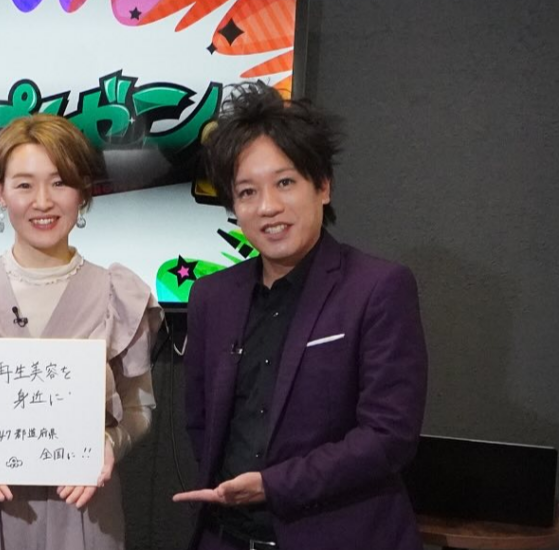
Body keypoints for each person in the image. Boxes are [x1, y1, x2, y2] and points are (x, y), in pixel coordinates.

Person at [174, 83, 428, 550]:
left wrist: (272, 485)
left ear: (323, 186)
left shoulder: (377, 287)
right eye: (247, 191)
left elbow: (389, 435)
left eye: (285, 182)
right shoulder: (212, 296)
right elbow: (200, 420)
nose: (267, 206)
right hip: (226, 537)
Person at [0, 114, 163, 550]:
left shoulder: (118, 294)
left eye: (60, 182)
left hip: (85, 512)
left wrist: (110, 442)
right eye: (24, 185)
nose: (43, 202)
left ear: (83, 191)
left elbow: (137, 407)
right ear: (0, 191)